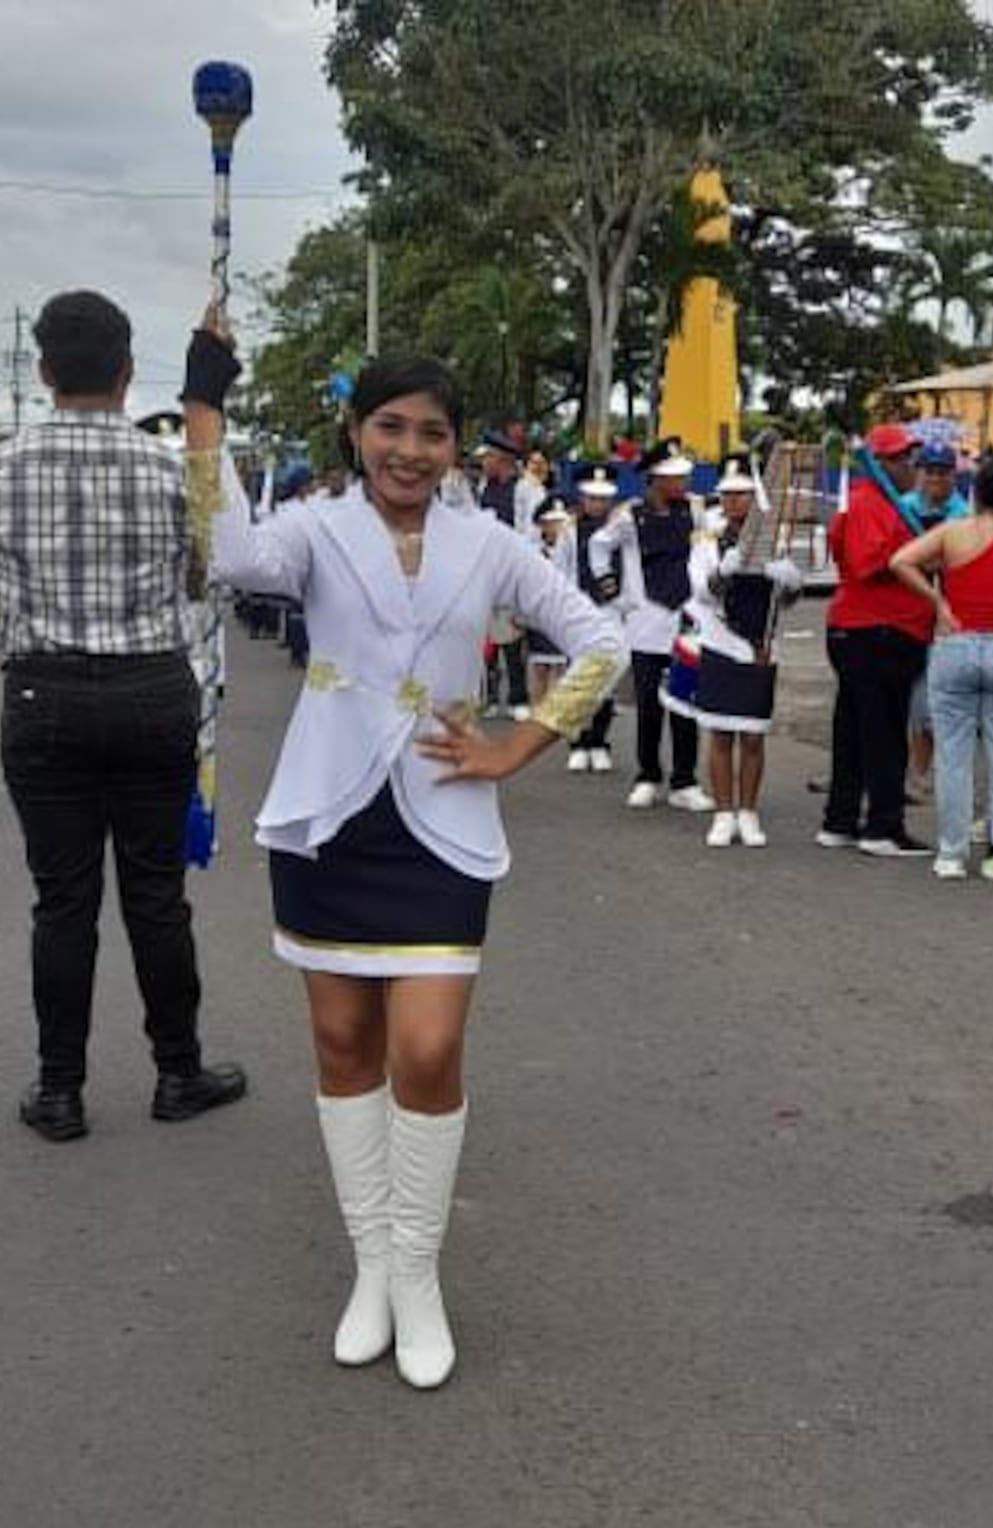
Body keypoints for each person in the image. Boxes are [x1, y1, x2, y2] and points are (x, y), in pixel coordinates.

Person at [183, 321, 625, 1390]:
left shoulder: (491, 544)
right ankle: (372, 1268)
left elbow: (601, 641)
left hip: (442, 827)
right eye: (390, 427)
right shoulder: (314, 528)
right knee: (343, 1044)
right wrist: (205, 407)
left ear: (456, 446)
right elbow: (229, 557)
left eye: (432, 432)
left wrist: (519, 744)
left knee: (425, 1051)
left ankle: (418, 1273)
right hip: (328, 820)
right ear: (356, 431)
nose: (410, 450)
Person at [0, 289, 246, 1141]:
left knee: (62, 901)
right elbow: (202, 579)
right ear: (126, 373)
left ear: (44, 372)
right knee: (156, 895)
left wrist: (31, 609)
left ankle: (59, 1091)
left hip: (42, 695)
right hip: (152, 689)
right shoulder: (173, 472)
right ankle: (178, 1072)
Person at [890, 455, 993, 887]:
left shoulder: (951, 532)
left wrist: (938, 602)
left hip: (955, 644)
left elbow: (900, 561)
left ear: (975, 491)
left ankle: (952, 854)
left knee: (952, 756)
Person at [818, 422, 934, 857]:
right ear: (882, 463)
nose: (912, 466)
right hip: (878, 628)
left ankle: (841, 819)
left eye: (911, 458)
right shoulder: (870, 503)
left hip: (868, 627)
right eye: (903, 459)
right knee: (882, 733)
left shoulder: (876, 503)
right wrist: (923, 558)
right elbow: (870, 562)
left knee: (854, 729)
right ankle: (882, 825)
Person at [588, 438, 712, 812]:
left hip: (686, 619)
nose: (684, 482)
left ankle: (685, 780)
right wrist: (611, 589)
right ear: (655, 479)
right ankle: (648, 775)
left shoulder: (696, 510)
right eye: (675, 477)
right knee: (648, 705)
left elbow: (706, 551)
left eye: (684, 476)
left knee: (685, 705)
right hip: (644, 621)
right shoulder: (630, 515)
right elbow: (598, 545)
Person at [685, 454, 802, 847]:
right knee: (721, 734)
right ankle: (723, 814)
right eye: (728, 494)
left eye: (743, 494)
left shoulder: (776, 539)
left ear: (756, 498)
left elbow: (786, 600)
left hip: (760, 646)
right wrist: (723, 571)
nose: (734, 501)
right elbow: (701, 591)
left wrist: (791, 583)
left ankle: (748, 812)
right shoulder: (708, 539)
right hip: (721, 641)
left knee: (752, 737)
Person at [901, 441, 973, 799]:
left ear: (953, 475)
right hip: (904, 614)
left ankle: (923, 773)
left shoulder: (963, 514)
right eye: (929, 470)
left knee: (928, 703)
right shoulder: (903, 507)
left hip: (946, 619)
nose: (935, 478)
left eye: (943, 471)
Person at [564, 465, 622, 773]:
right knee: (578, 677)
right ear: (582, 498)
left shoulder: (622, 528)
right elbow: (559, 570)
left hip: (611, 608)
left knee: (606, 679)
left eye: (603, 498)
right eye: (592, 498)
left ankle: (599, 741)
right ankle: (578, 742)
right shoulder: (568, 529)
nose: (597, 504)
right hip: (578, 607)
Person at [476, 430, 531, 718]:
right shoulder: (484, 487)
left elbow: (527, 531)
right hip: (486, 568)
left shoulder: (522, 489)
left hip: (511, 568)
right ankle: (488, 695)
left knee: (511, 635)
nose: (483, 464)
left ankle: (518, 696)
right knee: (485, 636)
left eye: (487, 458)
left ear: (501, 459)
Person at [523, 495, 572, 702]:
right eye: (553, 522)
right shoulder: (531, 551)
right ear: (542, 524)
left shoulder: (571, 550)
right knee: (539, 668)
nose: (559, 527)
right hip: (538, 617)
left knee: (561, 671)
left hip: (562, 616)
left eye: (562, 521)